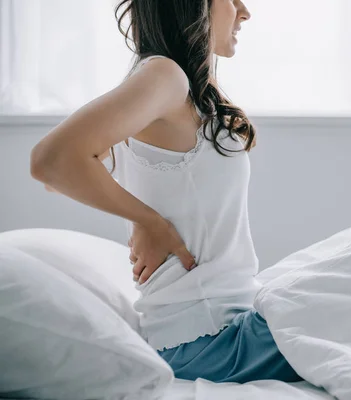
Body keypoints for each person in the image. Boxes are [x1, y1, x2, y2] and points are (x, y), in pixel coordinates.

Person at [29, 0, 302, 384]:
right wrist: (148, 221)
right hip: (210, 340)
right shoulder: (164, 76)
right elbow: (51, 164)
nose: (244, 11)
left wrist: (142, 215)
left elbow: (65, 168)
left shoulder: (177, 87)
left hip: (229, 322)